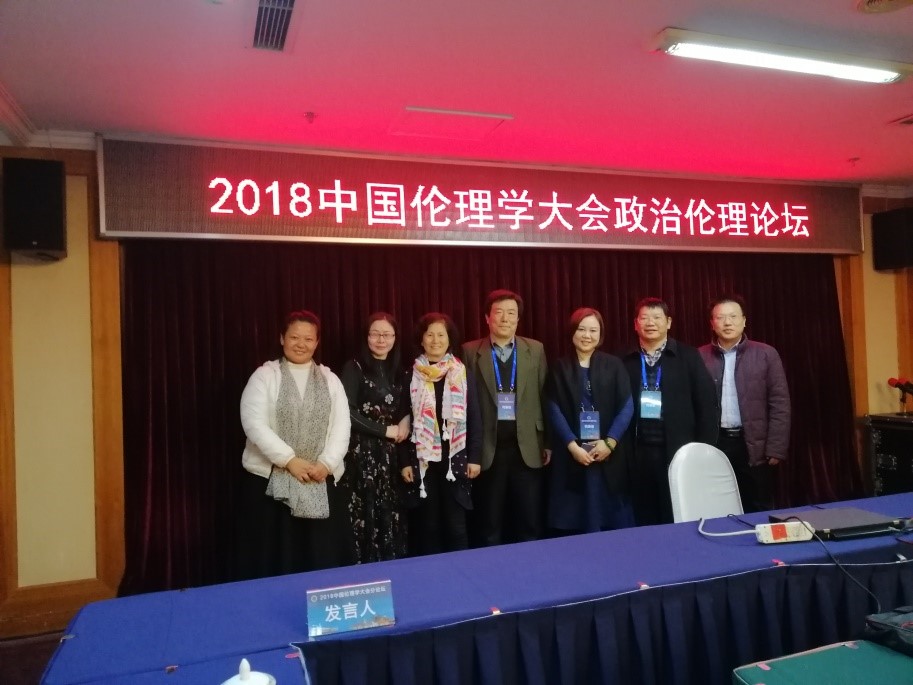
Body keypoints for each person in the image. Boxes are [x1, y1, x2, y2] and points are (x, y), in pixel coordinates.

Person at [237, 310, 352, 579]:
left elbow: (342, 426)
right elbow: (253, 423)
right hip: (270, 484)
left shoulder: (330, 379)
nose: (301, 344)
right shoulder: (264, 376)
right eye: (294, 337)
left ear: (317, 342)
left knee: (320, 560)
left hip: (318, 478)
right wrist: (289, 460)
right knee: (275, 560)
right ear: (282, 338)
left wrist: (326, 463)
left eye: (308, 339)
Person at [462, 289, 548, 545]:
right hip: (489, 449)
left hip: (528, 447)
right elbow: (464, 403)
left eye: (511, 313)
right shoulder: (470, 351)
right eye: (498, 313)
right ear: (487, 318)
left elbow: (545, 395)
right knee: (489, 522)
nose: (505, 318)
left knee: (529, 520)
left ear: (518, 319)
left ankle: (530, 565)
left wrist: (548, 442)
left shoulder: (535, 349)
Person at [621, 297, 718, 525]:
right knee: (643, 517)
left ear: (669, 322)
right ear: (635, 324)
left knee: (675, 515)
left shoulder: (688, 356)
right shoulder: (623, 359)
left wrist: (703, 452)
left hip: (677, 452)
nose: (650, 323)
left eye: (657, 317)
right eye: (644, 318)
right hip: (637, 453)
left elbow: (706, 406)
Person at [546, 308, 635, 534]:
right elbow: (553, 408)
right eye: (581, 329)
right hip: (573, 453)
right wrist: (572, 445)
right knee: (576, 520)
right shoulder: (559, 367)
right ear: (572, 332)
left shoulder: (614, 365)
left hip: (606, 452)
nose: (587, 335)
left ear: (600, 334)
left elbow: (627, 406)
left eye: (593, 330)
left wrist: (610, 442)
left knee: (610, 521)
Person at [698, 295, 791, 513]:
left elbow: (780, 403)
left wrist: (776, 447)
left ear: (744, 320)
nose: (727, 322)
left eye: (733, 316)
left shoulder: (766, 354)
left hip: (754, 445)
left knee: (758, 505)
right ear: (712, 323)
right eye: (720, 317)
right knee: (716, 505)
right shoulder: (699, 356)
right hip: (715, 442)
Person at [402, 313, 481, 554]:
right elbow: (404, 420)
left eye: (441, 335)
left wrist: (475, 457)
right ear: (421, 339)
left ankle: (462, 572)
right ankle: (432, 574)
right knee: (429, 527)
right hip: (423, 459)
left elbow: (475, 416)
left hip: (455, 458)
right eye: (430, 335)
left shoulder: (461, 373)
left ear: (449, 339)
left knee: (456, 526)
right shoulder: (411, 375)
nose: (435, 340)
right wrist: (404, 462)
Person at [340, 312, 411, 563]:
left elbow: (408, 404)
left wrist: (406, 419)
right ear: (366, 336)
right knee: (365, 514)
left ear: (395, 338)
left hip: (392, 456)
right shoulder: (354, 367)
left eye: (387, 335)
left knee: (391, 514)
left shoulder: (401, 370)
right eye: (375, 334)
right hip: (363, 453)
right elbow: (347, 412)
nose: (381, 340)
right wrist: (384, 431)